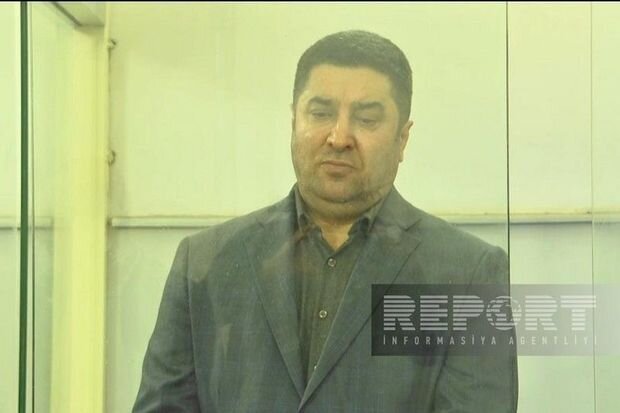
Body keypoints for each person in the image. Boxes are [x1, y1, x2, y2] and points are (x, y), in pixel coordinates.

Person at [133, 30, 518, 412]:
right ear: (293, 121)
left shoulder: (468, 273)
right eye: (320, 114)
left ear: (402, 139)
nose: (339, 137)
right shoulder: (205, 262)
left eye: (366, 119)